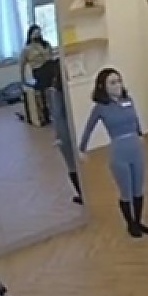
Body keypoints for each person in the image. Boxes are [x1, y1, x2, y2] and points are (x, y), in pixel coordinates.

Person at [78, 68, 148, 238]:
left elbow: (135, 119)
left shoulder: (128, 100)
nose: (118, 85)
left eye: (119, 81)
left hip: (136, 149)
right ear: (103, 87)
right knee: (126, 191)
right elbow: (89, 129)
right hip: (119, 152)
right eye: (112, 82)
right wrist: (81, 149)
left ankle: (138, 221)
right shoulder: (100, 108)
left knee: (138, 189)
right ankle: (130, 224)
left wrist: (140, 134)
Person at [46, 71, 82, 204]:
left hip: (65, 132)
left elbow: (57, 116)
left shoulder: (56, 91)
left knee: (72, 165)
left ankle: (81, 194)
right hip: (78, 127)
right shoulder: (72, 87)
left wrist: (59, 136)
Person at [18, 24, 58, 122]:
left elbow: (51, 56)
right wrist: (23, 80)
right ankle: (45, 110)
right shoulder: (27, 49)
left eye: (39, 33)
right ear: (30, 35)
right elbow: (22, 65)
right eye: (35, 33)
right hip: (38, 70)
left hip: (49, 67)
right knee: (49, 70)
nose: (37, 35)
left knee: (55, 63)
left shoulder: (46, 44)